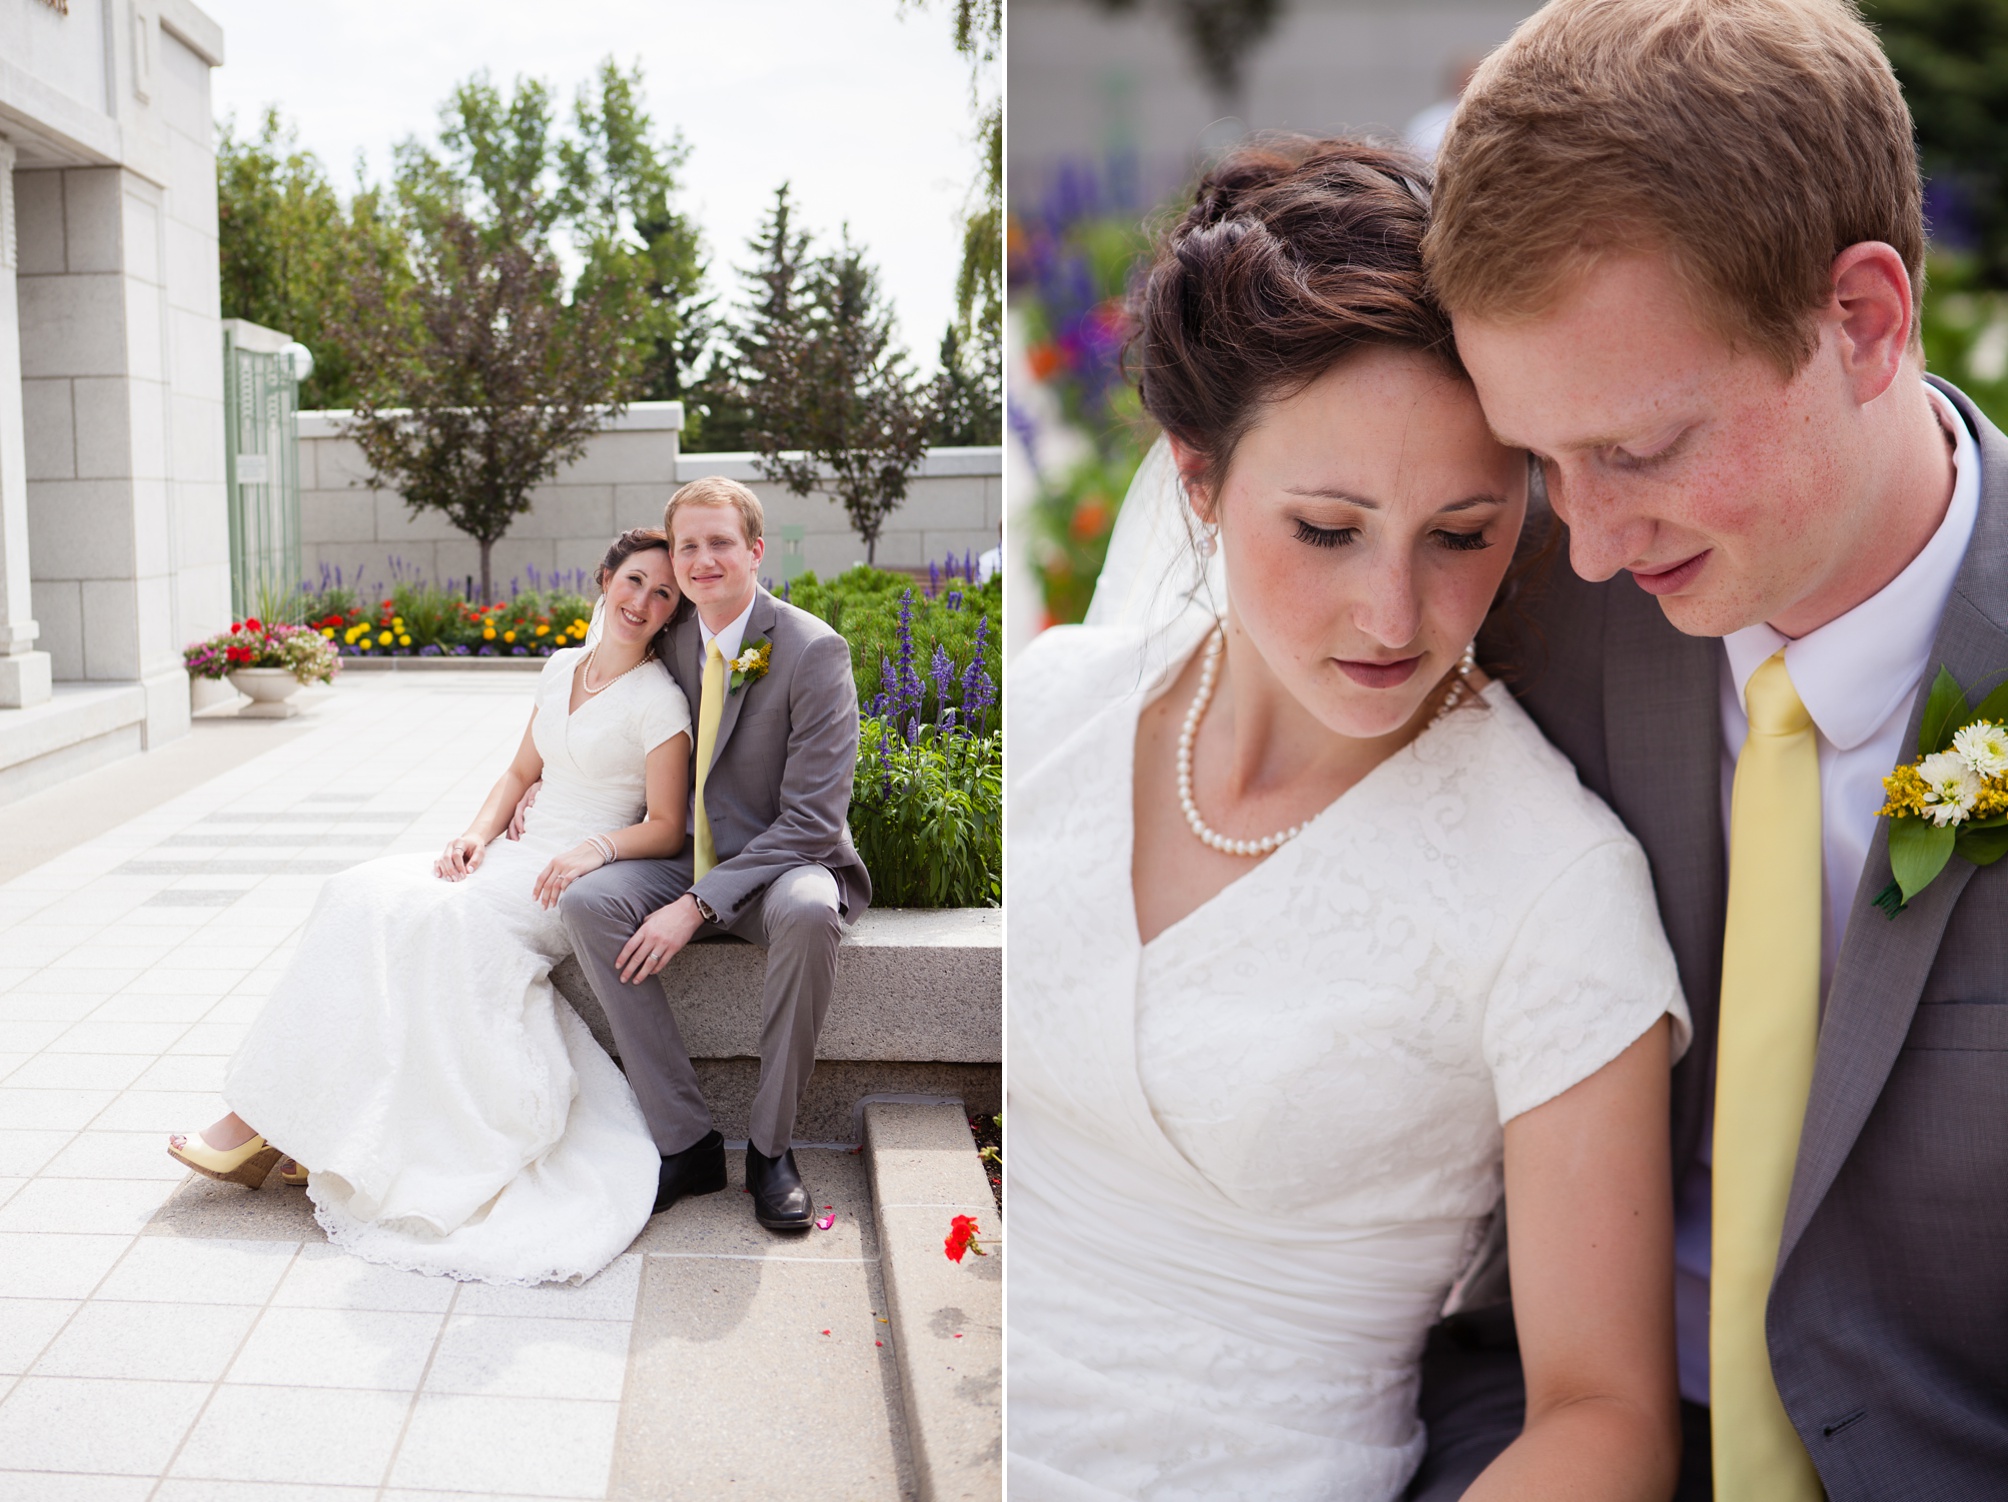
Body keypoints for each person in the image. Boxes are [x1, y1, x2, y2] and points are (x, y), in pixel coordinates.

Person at [1007, 138, 1691, 1502]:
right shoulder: (1057, 708)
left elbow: (1604, 1415)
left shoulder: (1551, 880)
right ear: (1197, 481)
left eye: (1462, 532)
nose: (1396, 616)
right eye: (1327, 528)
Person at [1411, 2, 2008, 1498]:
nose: (1591, 541)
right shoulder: (1535, 616)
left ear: (1861, 320)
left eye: (1637, 449)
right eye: (1544, 459)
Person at [168, 529, 693, 1285]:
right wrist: (476, 834)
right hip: (513, 854)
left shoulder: (658, 700)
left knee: (443, 923)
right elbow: (518, 772)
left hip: (567, 878)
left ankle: (255, 1128)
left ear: (673, 612)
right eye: (635, 581)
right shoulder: (559, 669)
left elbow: (667, 825)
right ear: (604, 579)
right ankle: (299, 1126)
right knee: (357, 892)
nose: (643, 601)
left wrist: (595, 850)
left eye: (663, 594)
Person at [557, 476, 870, 1233]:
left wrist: (695, 906)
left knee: (809, 911)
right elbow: (599, 713)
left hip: (783, 863)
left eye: (719, 542)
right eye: (687, 546)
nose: (701, 560)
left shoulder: (811, 650)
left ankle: (771, 1152)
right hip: (686, 852)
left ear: (755, 550)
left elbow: (814, 821)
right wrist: (548, 788)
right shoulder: (670, 638)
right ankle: (688, 1141)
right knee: (586, 902)